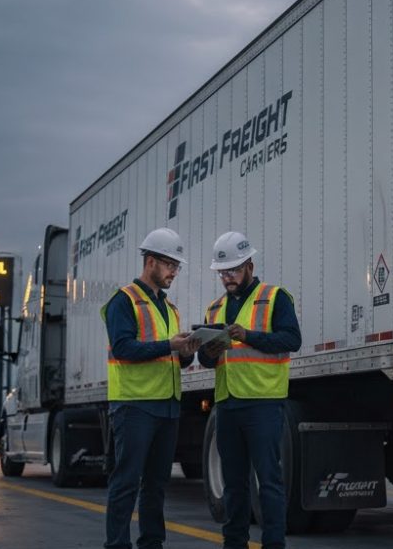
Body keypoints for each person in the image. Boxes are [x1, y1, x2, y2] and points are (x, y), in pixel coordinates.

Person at [198, 231, 302, 549]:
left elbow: (291, 340)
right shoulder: (214, 309)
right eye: (222, 272)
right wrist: (208, 350)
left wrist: (249, 335)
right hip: (227, 404)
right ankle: (234, 543)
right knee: (234, 484)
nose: (227, 278)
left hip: (263, 404)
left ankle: (274, 543)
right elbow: (204, 358)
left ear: (250, 267)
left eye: (233, 271)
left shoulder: (275, 298)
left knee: (269, 481)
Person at [102, 227, 199, 549]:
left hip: (167, 405)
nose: (174, 272)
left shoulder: (169, 308)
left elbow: (171, 358)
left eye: (177, 266)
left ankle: (152, 544)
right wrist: (168, 345)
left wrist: (184, 353)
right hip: (134, 405)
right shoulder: (124, 300)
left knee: (157, 485)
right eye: (170, 264)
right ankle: (117, 545)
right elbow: (123, 349)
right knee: (126, 481)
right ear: (151, 261)